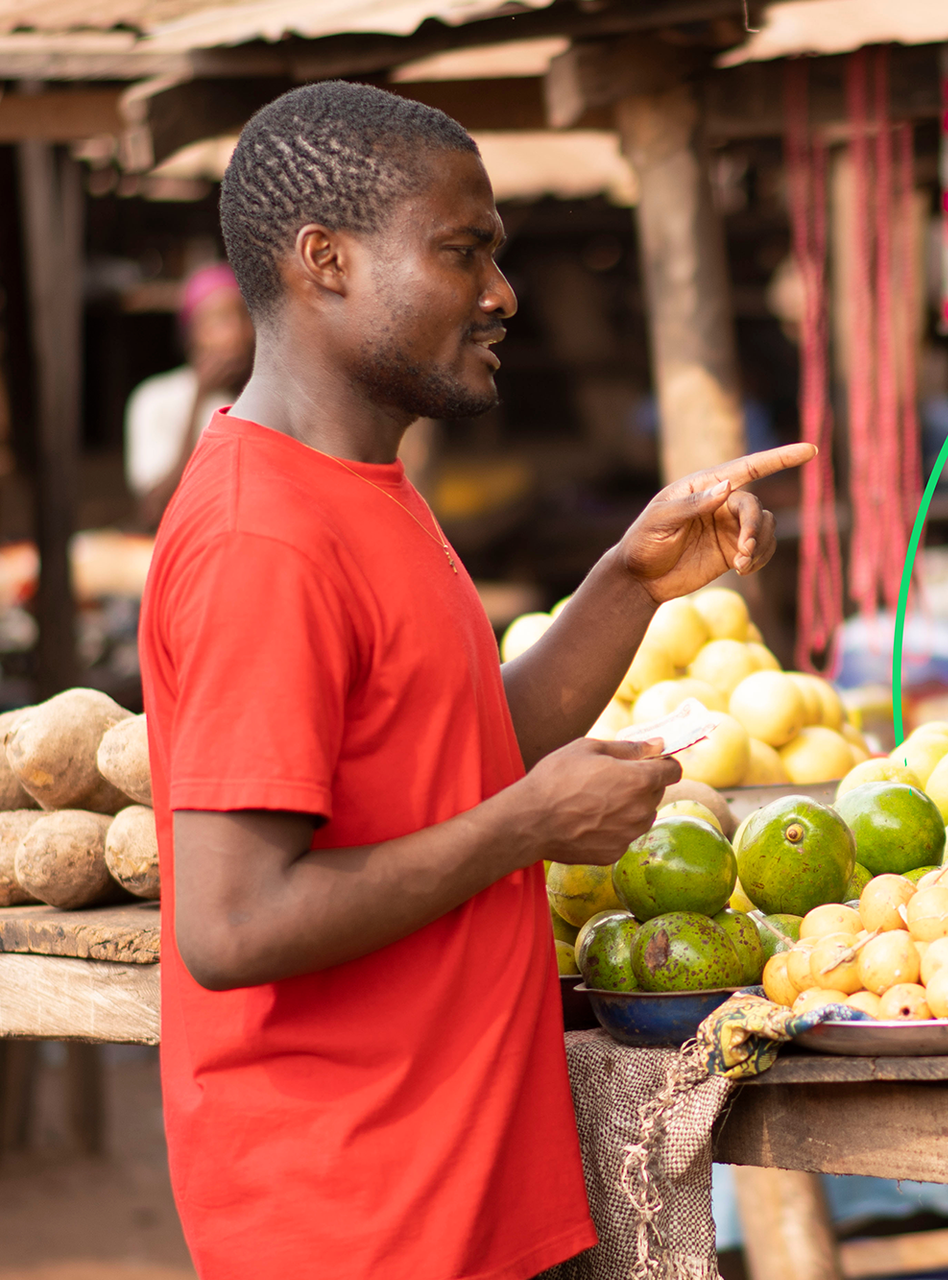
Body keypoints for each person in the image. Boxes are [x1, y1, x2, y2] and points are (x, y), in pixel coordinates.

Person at [137, 82, 814, 1280]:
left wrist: (625, 581)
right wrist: (526, 826)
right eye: (465, 253)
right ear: (324, 261)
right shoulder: (264, 538)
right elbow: (233, 924)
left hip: (463, 1194)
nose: (503, 295)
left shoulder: (363, 491)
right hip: (358, 1222)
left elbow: (461, 750)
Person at [124, 263, 255, 527]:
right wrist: (200, 396)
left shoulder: (264, 399)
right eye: (220, 320)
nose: (237, 333)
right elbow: (154, 509)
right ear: (191, 333)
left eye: (243, 317)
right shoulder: (155, 399)